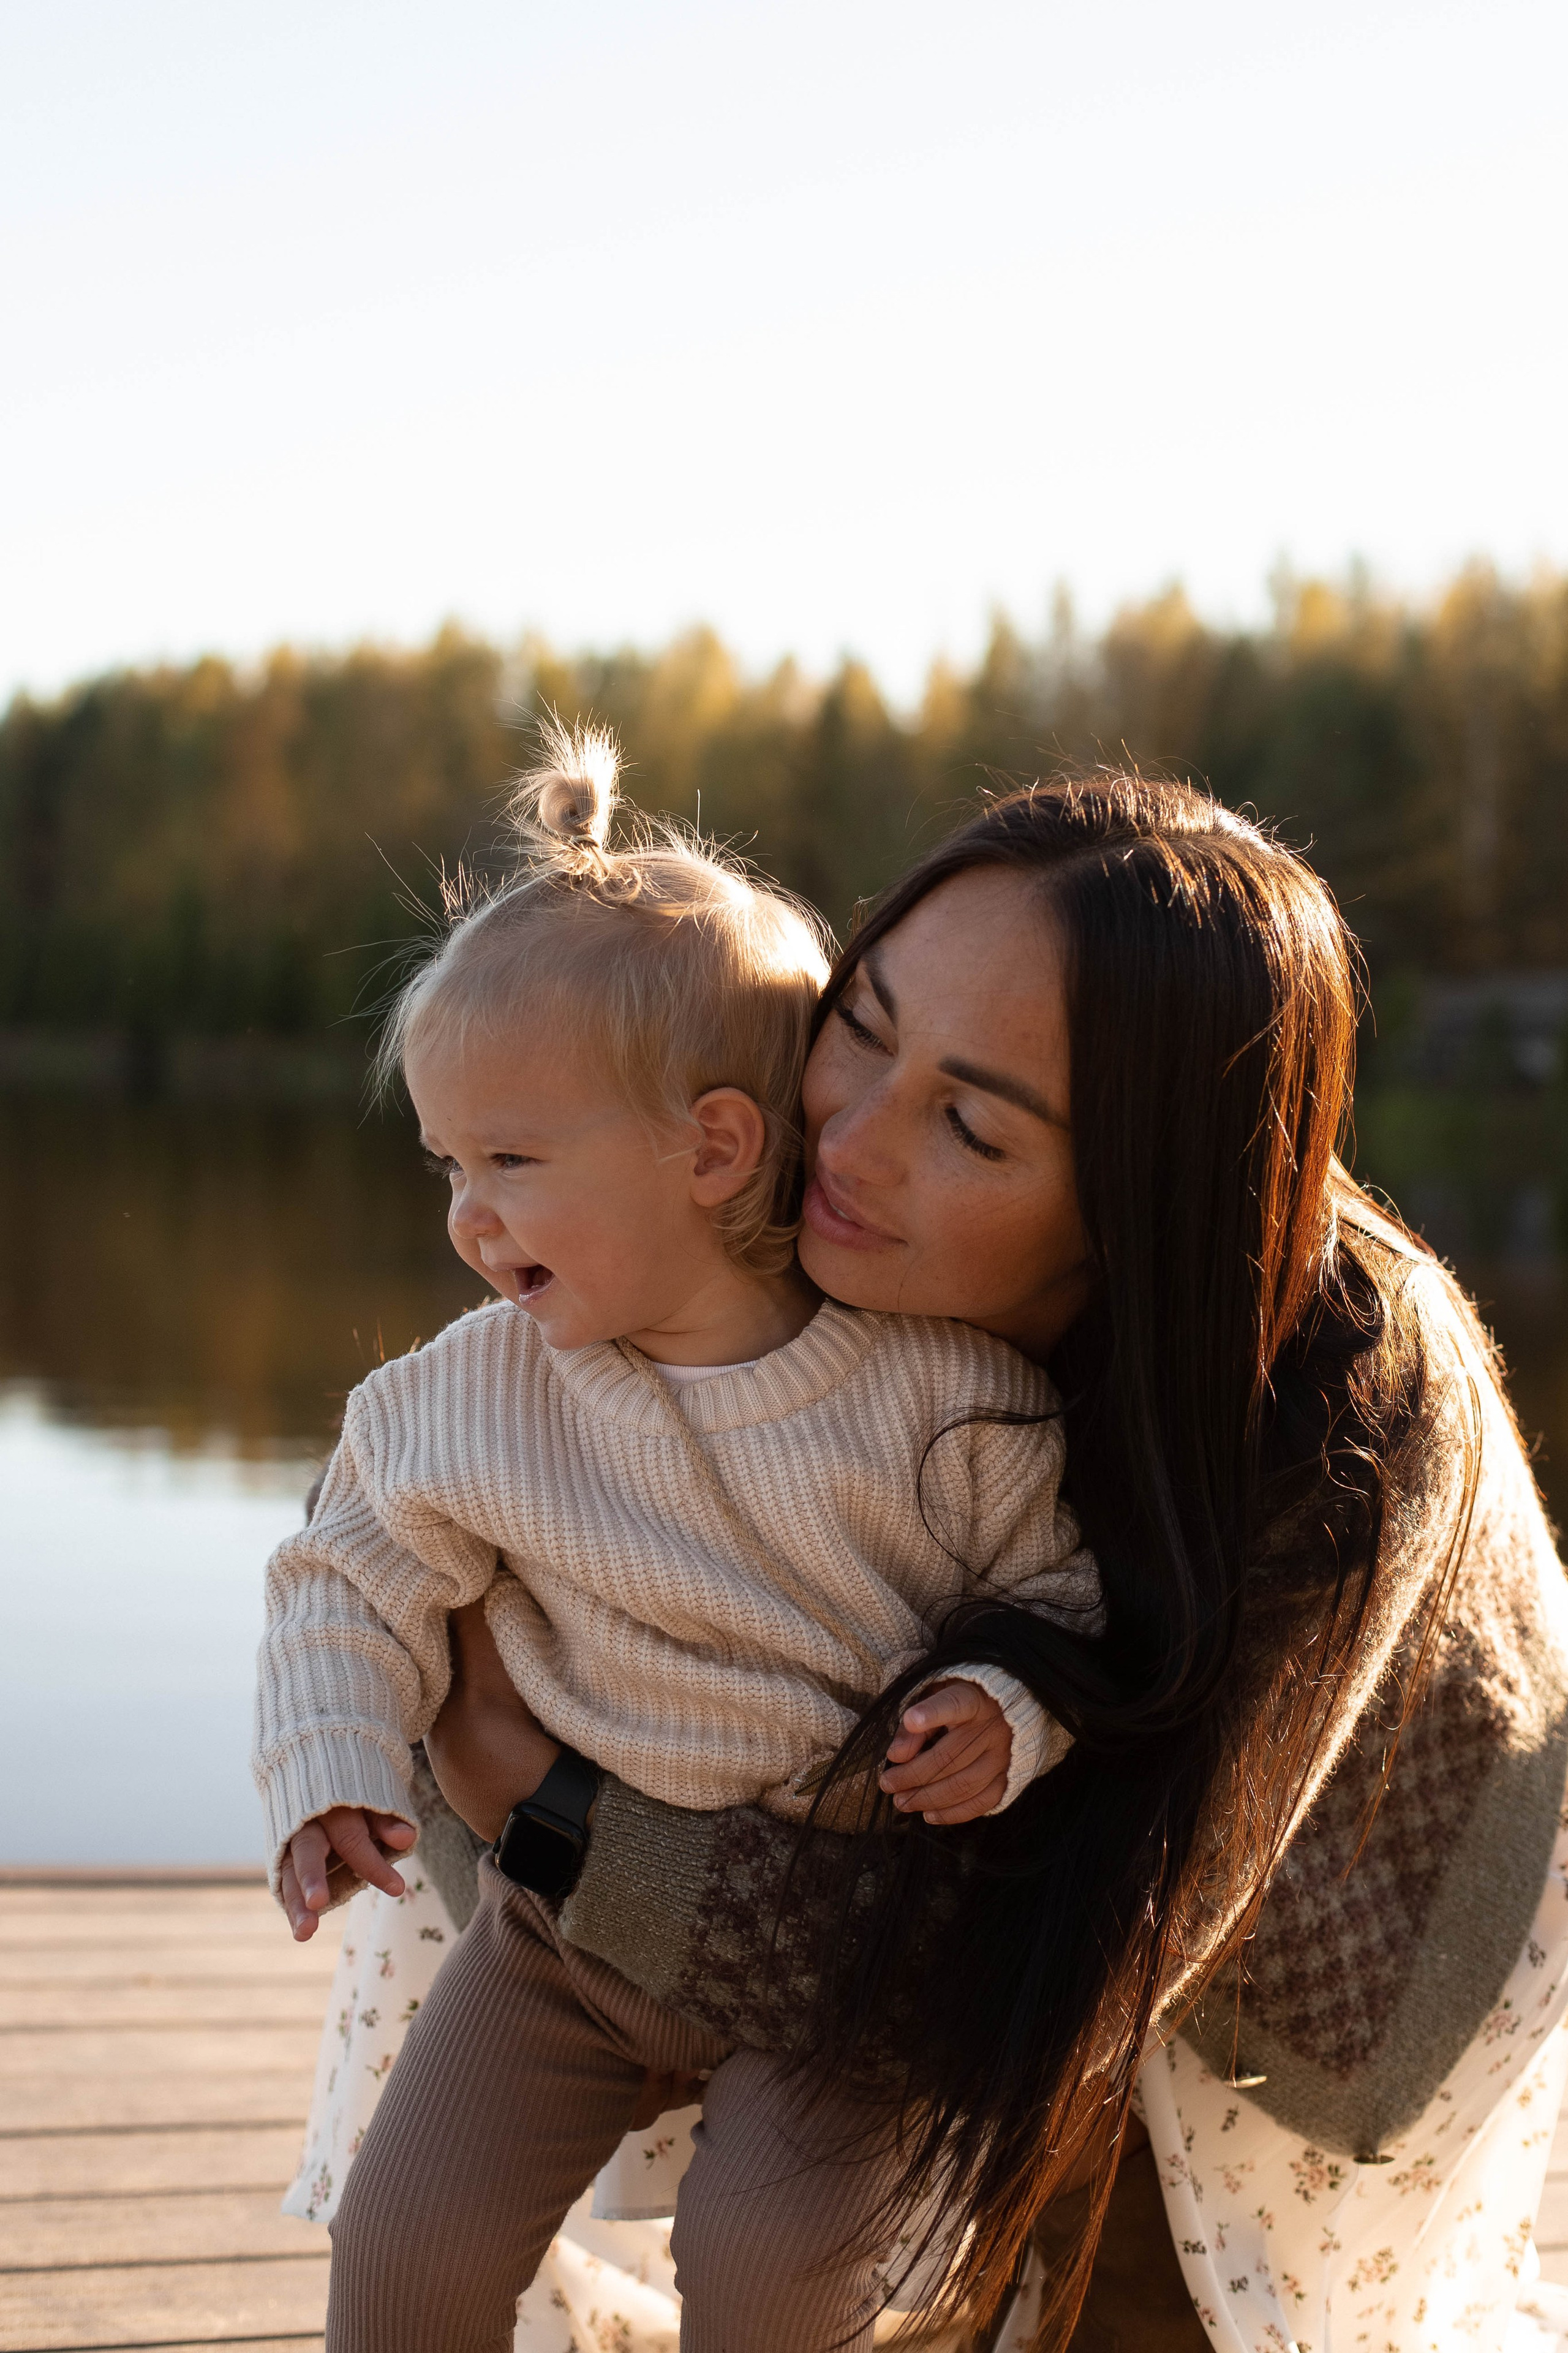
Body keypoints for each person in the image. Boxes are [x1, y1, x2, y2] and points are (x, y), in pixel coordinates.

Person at [398, 774, 1568, 2353]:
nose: (848, 1140)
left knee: (1125, 2299)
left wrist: (556, 1819)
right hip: (978, 1832)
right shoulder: (788, 1222)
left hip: (1327, 1885)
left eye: (970, 1122)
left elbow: (1054, 1966)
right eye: (862, 1025)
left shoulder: (1350, 1408)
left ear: (1137, 1199)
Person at [252, 725, 1101, 2349]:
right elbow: (344, 1571)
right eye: (449, 1166)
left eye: (511, 1161)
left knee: (778, 2275)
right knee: (405, 2243)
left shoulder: (942, 1399)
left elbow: (1067, 1592)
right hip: (563, 1939)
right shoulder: (472, 1394)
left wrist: (1008, 1706)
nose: (467, 1219)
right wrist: (332, 1756)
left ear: (712, 1149)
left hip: (853, 1955)